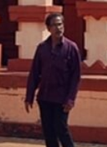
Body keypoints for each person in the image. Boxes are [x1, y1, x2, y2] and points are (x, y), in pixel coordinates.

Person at [24, 13, 81, 147]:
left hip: (62, 99)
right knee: (49, 132)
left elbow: (76, 77)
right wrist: (29, 96)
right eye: (54, 25)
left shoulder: (71, 48)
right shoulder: (42, 48)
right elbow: (35, 73)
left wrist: (70, 99)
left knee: (61, 129)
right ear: (48, 28)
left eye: (60, 24)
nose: (58, 28)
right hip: (45, 97)